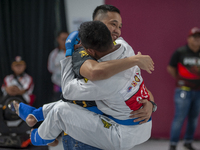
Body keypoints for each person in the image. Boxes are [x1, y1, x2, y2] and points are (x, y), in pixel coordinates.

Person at [16, 20, 156, 150]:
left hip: (120, 134)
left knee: (62, 109)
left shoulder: (103, 83)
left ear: (89, 51)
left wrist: (69, 53)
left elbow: (67, 91)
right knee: (85, 102)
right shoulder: (127, 48)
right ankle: (36, 115)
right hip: (138, 121)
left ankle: (39, 137)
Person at [167, 27, 200, 150]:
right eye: (194, 37)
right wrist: (181, 80)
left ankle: (188, 141)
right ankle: (173, 144)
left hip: (198, 91)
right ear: (188, 39)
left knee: (194, 118)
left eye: (199, 38)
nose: (197, 40)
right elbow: (170, 68)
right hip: (183, 90)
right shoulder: (180, 52)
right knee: (179, 117)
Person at [48, 31, 69, 102]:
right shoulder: (54, 54)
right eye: (63, 39)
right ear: (58, 39)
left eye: (67, 39)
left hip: (71, 87)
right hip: (58, 87)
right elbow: (50, 69)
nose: (65, 41)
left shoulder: (74, 52)